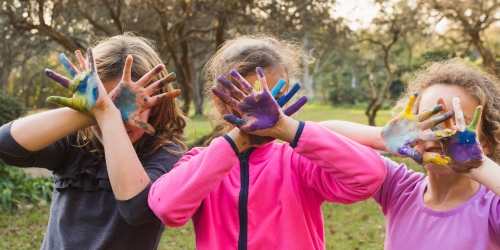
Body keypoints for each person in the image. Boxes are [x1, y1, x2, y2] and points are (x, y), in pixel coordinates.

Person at [147, 35, 387, 249]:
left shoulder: (298, 161)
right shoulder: (202, 163)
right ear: (220, 103)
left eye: (275, 97)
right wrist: (236, 140)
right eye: (247, 97)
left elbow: (370, 175)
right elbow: (167, 208)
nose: (266, 109)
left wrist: (288, 128)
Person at [0, 33, 187, 249]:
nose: (117, 118)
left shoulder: (166, 154)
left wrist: (106, 113)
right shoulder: (75, 143)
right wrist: (97, 110)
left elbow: (136, 210)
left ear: (155, 105)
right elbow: (7, 147)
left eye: (131, 106)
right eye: (105, 101)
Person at [320, 58, 500, 249]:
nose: (437, 133)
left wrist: (480, 165)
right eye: (426, 120)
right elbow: (320, 135)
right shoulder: (398, 186)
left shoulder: (491, 208)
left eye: (454, 123)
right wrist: (380, 137)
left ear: (487, 142)